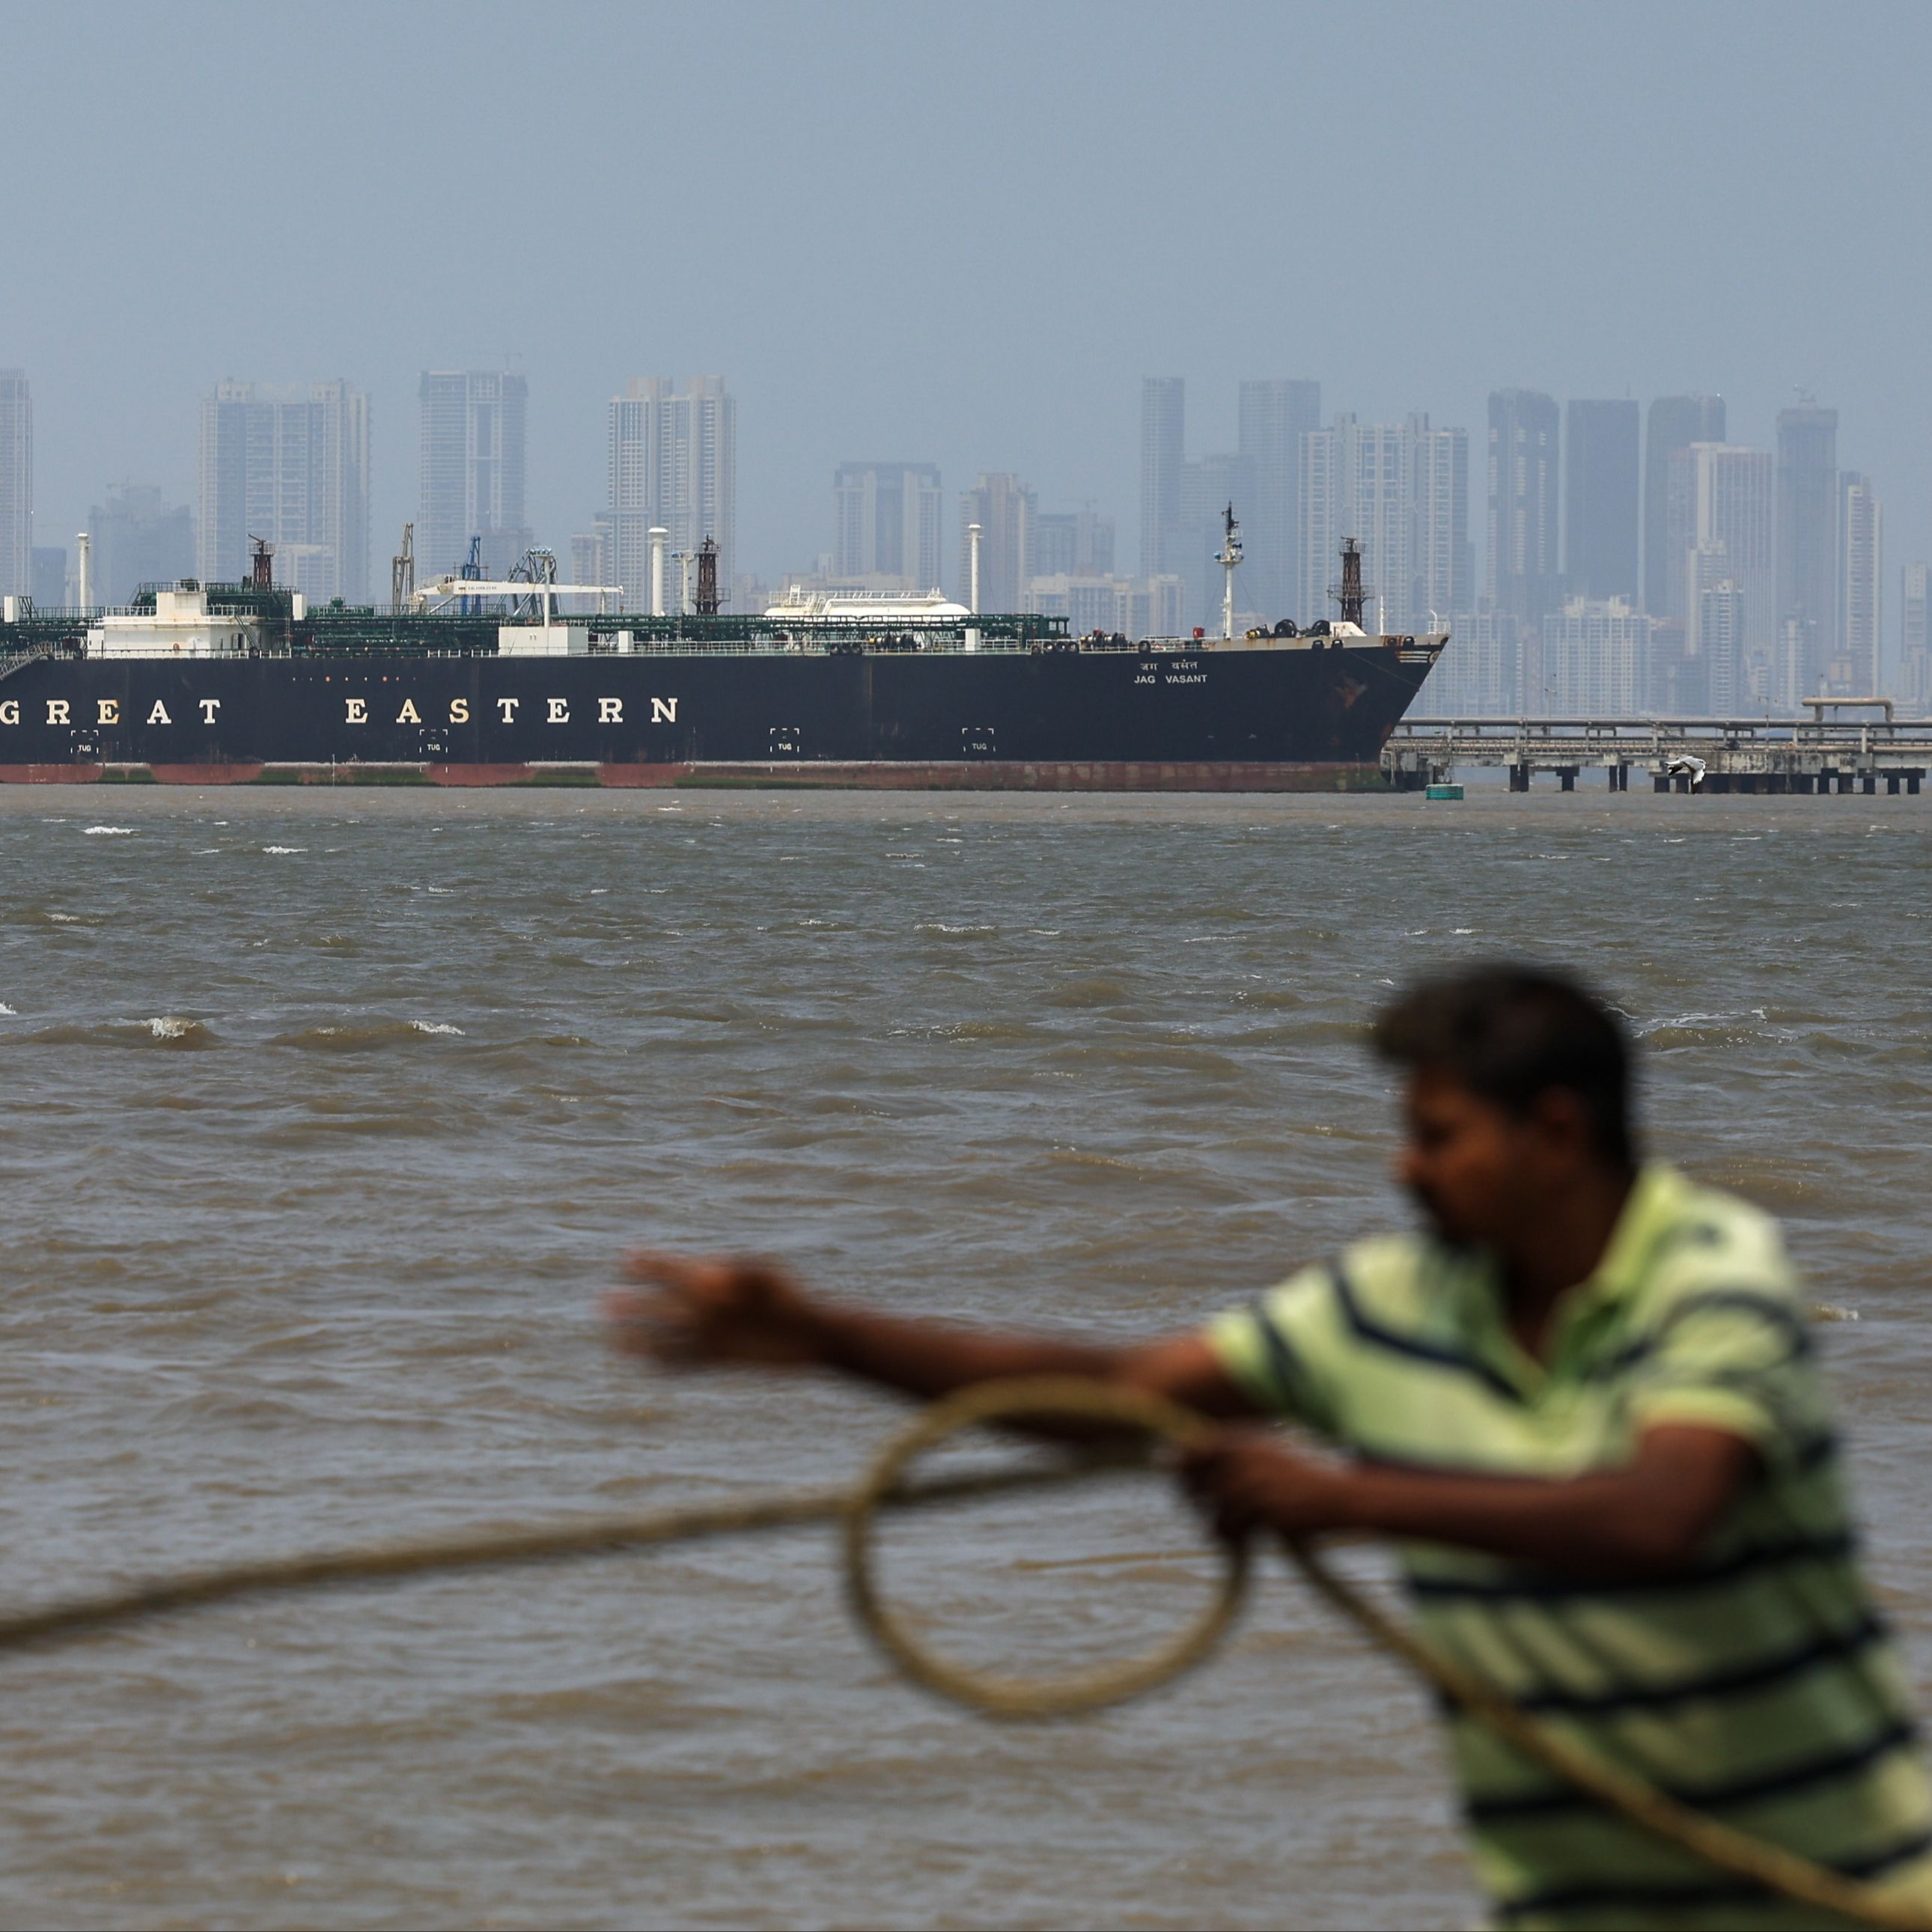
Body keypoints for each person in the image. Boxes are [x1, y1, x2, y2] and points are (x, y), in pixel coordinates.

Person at [606, 963, 1931, 1931]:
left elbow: (1663, 1511)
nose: (1403, 1173)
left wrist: (1347, 1498)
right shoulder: (1387, 1305)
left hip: (1839, 1893)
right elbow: (1120, 1392)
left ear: (1556, 1134)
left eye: (1435, 1138)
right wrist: (824, 1334)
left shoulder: (1709, 1272)